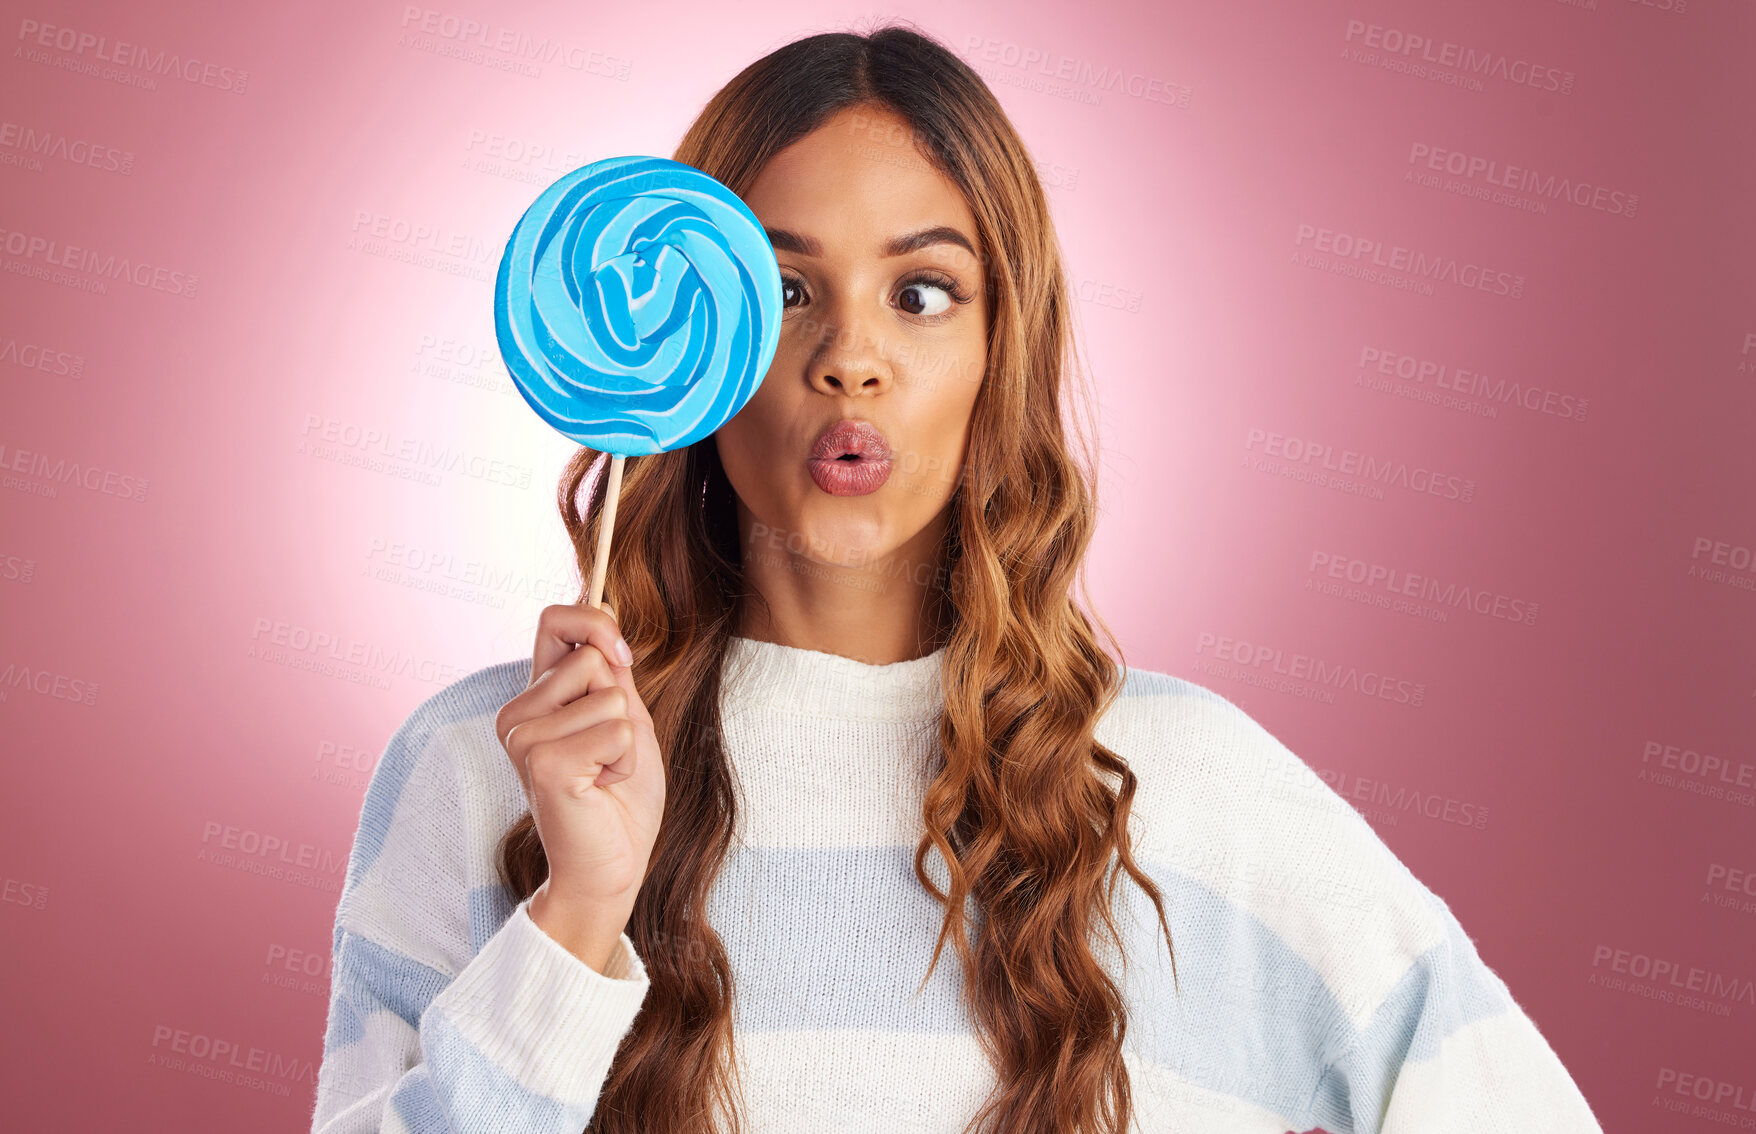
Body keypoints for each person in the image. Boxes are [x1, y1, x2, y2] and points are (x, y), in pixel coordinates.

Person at [309, 23, 1604, 1134]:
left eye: (922, 292)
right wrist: (579, 908)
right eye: (781, 286)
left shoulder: (1191, 792)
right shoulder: (486, 769)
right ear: (691, 336)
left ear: (1004, 344)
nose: (849, 357)